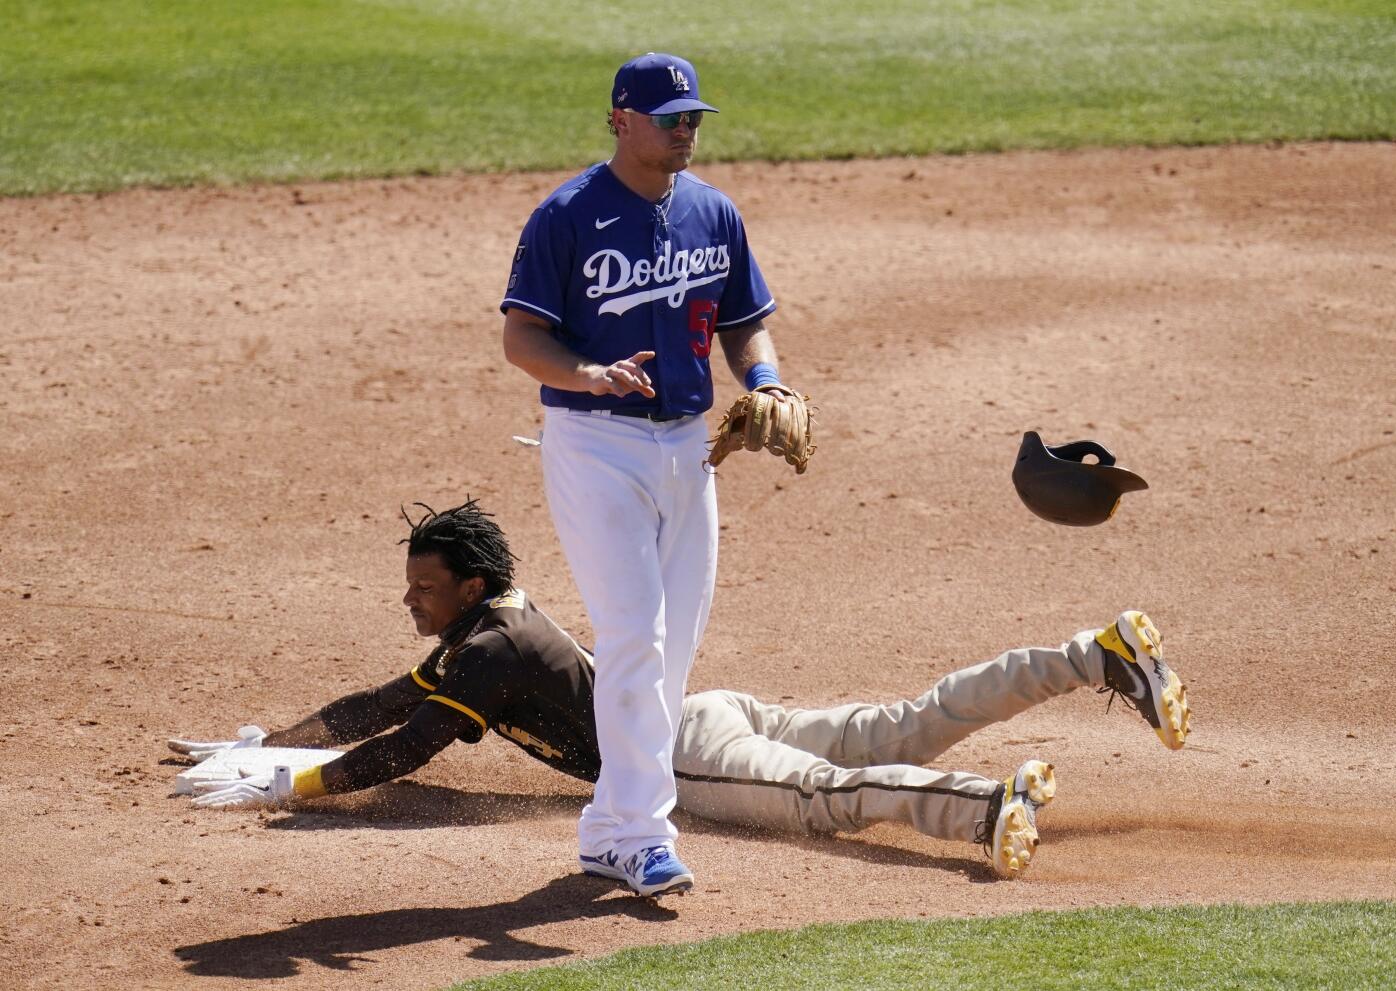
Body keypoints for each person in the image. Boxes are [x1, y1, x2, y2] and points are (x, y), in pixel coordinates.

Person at [172, 501, 1193, 892]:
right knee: (900, 721)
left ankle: (984, 807)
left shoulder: (487, 653)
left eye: (423, 586)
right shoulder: (493, 626)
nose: (409, 597)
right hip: (712, 711)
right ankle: (1090, 655)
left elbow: (405, 748)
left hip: (683, 756)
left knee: (825, 799)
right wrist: (274, 738)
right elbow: (377, 702)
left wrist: (294, 789)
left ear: (469, 587)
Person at [497, 52, 797, 896]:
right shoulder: (566, 216)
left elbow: (746, 324)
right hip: (595, 444)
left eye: (694, 118)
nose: (686, 131)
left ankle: (607, 826)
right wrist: (587, 374)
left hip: (692, 447)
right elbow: (522, 340)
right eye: (670, 119)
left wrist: (766, 380)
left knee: (671, 651)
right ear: (621, 119)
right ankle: (639, 832)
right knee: (635, 632)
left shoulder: (713, 213)